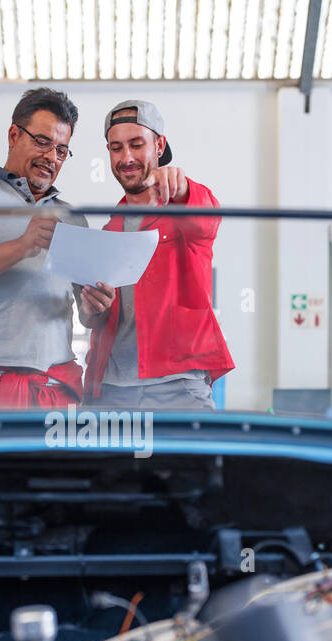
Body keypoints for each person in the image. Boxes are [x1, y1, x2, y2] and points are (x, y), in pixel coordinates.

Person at [0, 88, 116, 408]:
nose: (51, 157)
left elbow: (87, 316)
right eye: (42, 142)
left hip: (52, 393)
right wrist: (22, 245)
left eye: (61, 150)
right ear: (14, 134)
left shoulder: (72, 218)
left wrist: (96, 308)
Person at [81, 100, 233, 410]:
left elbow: (207, 221)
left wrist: (183, 191)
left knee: (191, 461)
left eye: (137, 145)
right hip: (110, 389)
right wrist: (92, 309)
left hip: (177, 387)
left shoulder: (184, 207)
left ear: (159, 144)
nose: (126, 158)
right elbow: (97, 319)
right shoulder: (109, 230)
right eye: (116, 148)